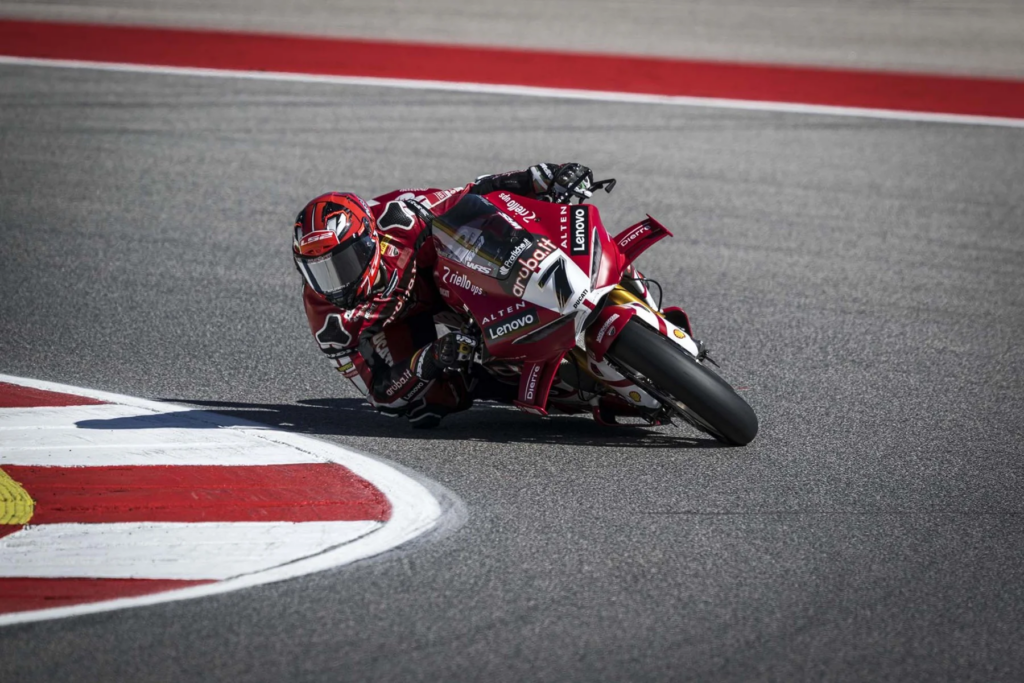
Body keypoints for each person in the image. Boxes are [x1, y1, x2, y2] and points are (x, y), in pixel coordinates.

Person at [292, 163, 596, 428]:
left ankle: (569, 274)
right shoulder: (330, 322)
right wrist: (431, 358)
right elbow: (380, 395)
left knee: (478, 228)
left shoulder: (401, 216)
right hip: (404, 323)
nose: (336, 284)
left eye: (342, 264)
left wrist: (540, 177)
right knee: (432, 401)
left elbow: (474, 191)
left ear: (369, 243)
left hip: (447, 275)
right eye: (319, 272)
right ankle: (495, 379)